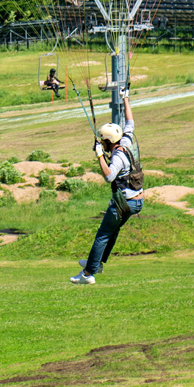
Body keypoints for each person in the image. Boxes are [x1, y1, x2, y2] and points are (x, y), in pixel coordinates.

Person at [71, 121, 143, 285]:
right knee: (112, 231)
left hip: (124, 202)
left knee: (102, 235)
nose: (101, 143)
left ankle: (87, 274)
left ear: (108, 141)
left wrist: (99, 156)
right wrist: (125, 97)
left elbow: (109, 176)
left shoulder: (117, 156)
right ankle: (96, 263)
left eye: (102, 141)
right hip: (136, 200)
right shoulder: (124, 143)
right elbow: (130, 124)